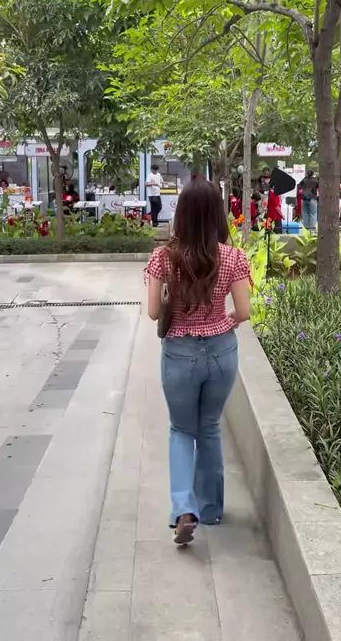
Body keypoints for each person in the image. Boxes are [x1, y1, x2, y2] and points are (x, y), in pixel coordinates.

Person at [145, 179, 251, 545]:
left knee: (181, 430)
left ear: (182, 215)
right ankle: (210, 510)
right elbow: (244, 311)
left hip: (180, 352)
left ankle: (183, 510)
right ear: (217, 214)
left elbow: (153, 312)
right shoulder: (233, 257)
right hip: (221, 351)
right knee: (209, 428)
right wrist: (226, 321)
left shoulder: (164, 257)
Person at [146, 163, 163, 227]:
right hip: (152, 195)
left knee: (159, 207)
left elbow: (161, 181)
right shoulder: (150, 176)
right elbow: (146, 184)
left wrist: (162, 184)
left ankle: (149, 215)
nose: (155, 171)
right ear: (151, 170)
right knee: (154, 208)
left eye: (156, 170)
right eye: (154, 170)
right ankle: (155, 223)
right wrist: (153, 184)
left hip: (157, 194)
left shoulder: (159, 174)